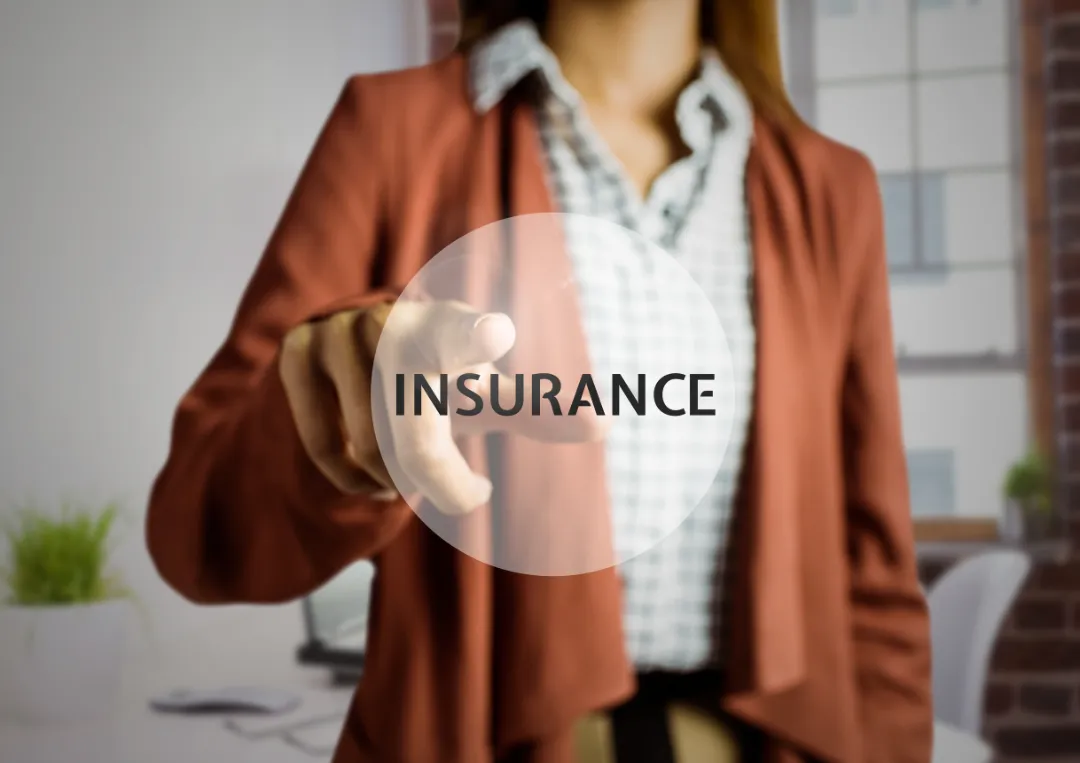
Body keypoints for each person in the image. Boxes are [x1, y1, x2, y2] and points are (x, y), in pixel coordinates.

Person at [145, 1, 933, 761]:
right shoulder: (392, 132)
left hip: (759, 738)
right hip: (477, 736)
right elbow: (199, 529)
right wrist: (331, 417)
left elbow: (875, 577)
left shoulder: (833, 190)